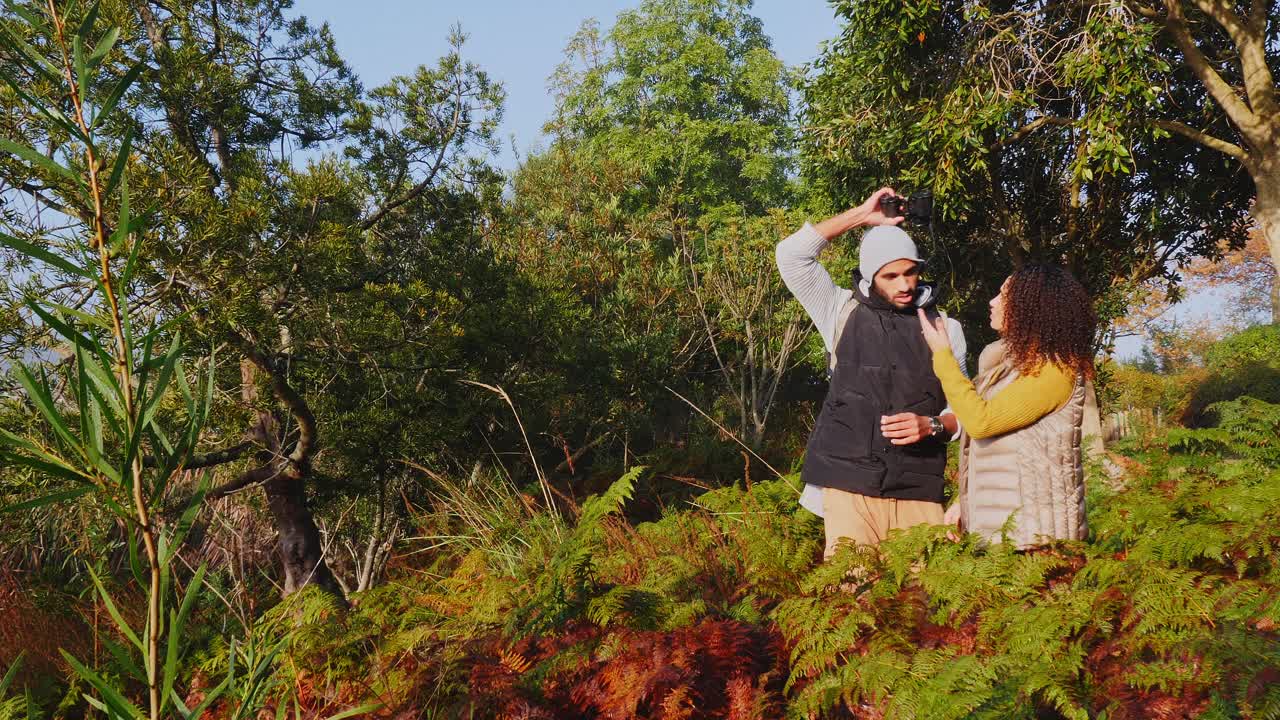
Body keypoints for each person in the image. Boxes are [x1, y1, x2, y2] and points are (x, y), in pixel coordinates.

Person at [776, 188, 967, 558]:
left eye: (911, 272)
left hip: (918, 490)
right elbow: (792, 255)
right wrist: (862, 216)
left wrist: (933, 426)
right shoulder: (839, 311)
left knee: (918, 610)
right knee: (853, 605)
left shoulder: (947, 329)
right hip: (846, 488)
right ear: (869, 277)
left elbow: (967, 415)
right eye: (891, 276)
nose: (905, 285)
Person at [918, 264, 1097, 548]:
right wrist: (965, 503)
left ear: (1030, 307)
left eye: (1003, 296)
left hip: (1039, 543)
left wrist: (942, 355)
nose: (992, 302)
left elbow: (981, 421)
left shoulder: (1054, 371)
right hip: (1008, 540)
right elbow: (995, 450)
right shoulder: (1009, 370)